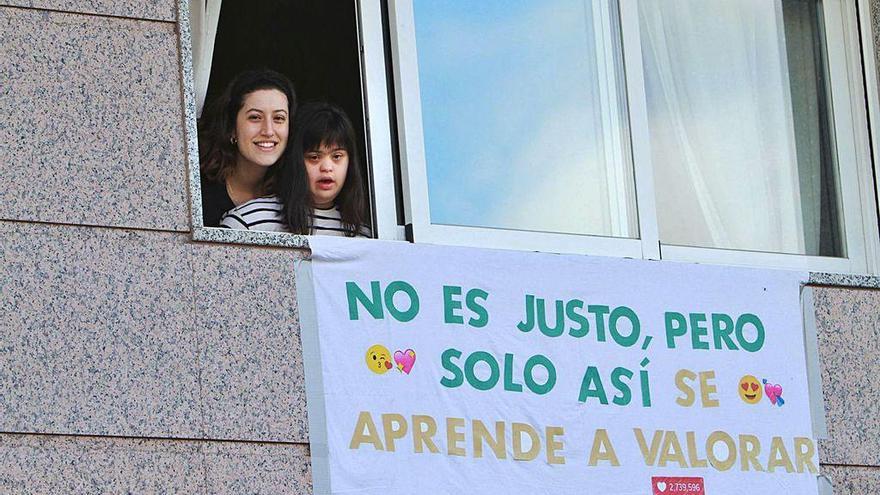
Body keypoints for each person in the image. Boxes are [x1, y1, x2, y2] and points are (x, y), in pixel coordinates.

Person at [221, 102, 370, 237]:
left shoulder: (362, 234)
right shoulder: (247, 223)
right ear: (295, 161)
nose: (327, 168)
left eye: (337, 156)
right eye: (314, 157)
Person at [198, 69, 297, 228]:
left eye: (279, 118)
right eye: (255, 117)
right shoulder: (198, 193)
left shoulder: (294, 193)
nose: (268, 131)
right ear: (231, 127)